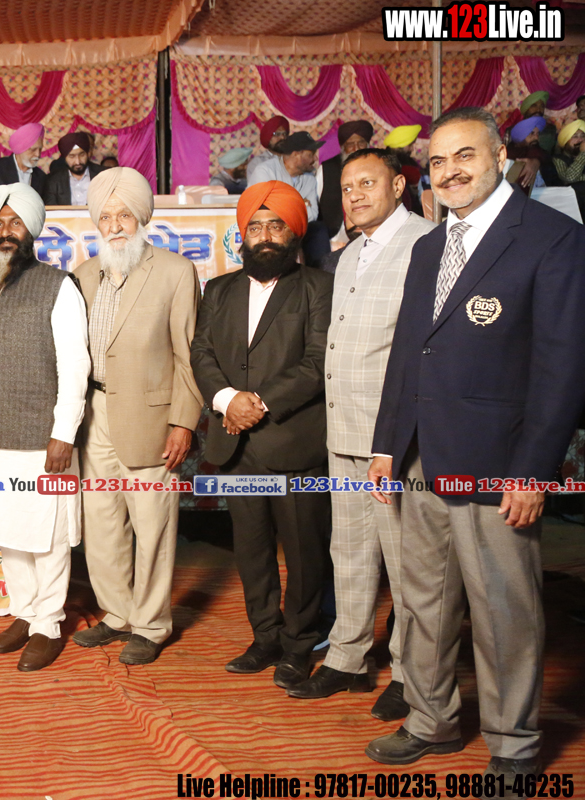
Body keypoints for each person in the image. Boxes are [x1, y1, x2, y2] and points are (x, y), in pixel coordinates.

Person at [364, 107, 585, 778]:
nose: (450, 171)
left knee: (502, 611)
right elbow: (410, 352)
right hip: (420, 458)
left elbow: (562, 367)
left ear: (500, 159)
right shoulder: (429, 246)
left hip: (498, 463)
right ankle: (429, 720)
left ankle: (513, 747)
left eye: (465, 155)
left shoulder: (553, 237)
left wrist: (533, 471)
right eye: (438, 161)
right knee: (422, 603)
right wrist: (386, 445)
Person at [286, 149, 434, 721]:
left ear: (398, 185)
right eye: (347, 188)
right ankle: (348, 658)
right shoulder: (347, 254)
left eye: (367, 184)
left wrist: (395, 440)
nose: (354, 196)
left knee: (406, 564)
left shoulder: (426, 244)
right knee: (347, 553)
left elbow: (423, 351)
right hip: (343, 430)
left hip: (394, 441)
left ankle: (411, 674)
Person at [190, 181, 334, 691]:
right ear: (242, 235)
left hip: (294, 444)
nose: (265, 235)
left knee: (304, 553)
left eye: (276, 225)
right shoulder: (219, 290)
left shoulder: (318, 287)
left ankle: (299, 645)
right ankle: (265, 637)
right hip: (237, 447)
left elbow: (317, 362)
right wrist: (228, 399)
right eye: (255, 227)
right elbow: (202, 353)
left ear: (294, 232)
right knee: (251, 552)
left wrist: (259, 403)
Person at [72, 168, 203, 665]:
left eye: (124, 215)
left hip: (151, 418)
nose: (115, 226)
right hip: (94, 415)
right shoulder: (84, 274)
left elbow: (188, 355)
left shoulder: (175, 271)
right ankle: (117, 613)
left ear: (141, 218)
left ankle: (151, 624)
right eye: (105, 217)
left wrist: (183, 422)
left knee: (152, 527)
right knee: (102, 522)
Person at [0, 183, 90, 672]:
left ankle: (49, 623)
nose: (5, 231)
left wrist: (64, 433)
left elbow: (75, 366)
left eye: (15, 223)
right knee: (8, 533)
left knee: (48, 536)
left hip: (44, 440)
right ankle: (24, 611)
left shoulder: (58, 285)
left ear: (32, 231)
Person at [248, 131, 328, 266]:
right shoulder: (265, 171)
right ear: (296, 154)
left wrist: (285, 205)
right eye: (310, 154)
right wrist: (301, 204)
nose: (315, 159)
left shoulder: (309, 179)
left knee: (318, 229)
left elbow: (313, 214)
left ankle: (319, 273)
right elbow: (266, 211)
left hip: (298, 230)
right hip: (268, 229)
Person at [317, 121, 373, 238]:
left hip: (368, 231)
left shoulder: (377, 167)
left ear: (368, 145)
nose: (356, 148)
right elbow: (315, 201)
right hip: (334, 235)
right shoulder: (327, 168)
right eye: (350, 144)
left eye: (361, 143)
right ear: (343, 147)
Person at [0, 123, 47, 206]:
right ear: (20, 148)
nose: (38, 154)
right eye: (33, 150)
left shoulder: (41, 176)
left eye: (40, 149)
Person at [43, 132, 103, 205]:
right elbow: (51, 209)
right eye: (72, 156)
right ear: (64, 157)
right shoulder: (54, 181)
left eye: (82, 155)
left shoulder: (104, 174)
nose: (77, 162)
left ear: (88, 153)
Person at [383, 125, 424, 213]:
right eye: (410, 145)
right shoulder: (389, 165)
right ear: (401, 145)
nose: (412, 149)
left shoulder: (408, 161)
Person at [552, 119, 585, 184]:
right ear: (566, 141)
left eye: (583, 136)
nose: (580, 140)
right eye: (575, 136)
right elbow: (568, 178)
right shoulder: (558, 159)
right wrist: (583, 154)